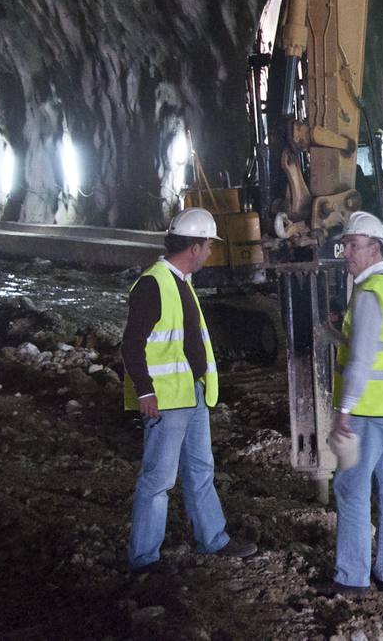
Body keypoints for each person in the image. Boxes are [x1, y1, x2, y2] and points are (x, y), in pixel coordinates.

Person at [121, 207, 257, 574]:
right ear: (195, 247)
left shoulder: (181, 282)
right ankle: (143, 559)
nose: (211, 253)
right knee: (158, 480)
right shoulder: (154, 284)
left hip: (191, 395)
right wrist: (146, 392)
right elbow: (131, 345)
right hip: (166, 401)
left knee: (200, 470)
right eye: (209, 246)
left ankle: (214, 539)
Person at [314, 210, 383, 597]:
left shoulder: (370, 296)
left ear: (375, 249)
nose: (346, 254)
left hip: (368, 411)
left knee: (352, 489)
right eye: (344, 246)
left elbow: (361, 361)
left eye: (353, 246)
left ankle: (352, 577)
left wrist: (343, 410)